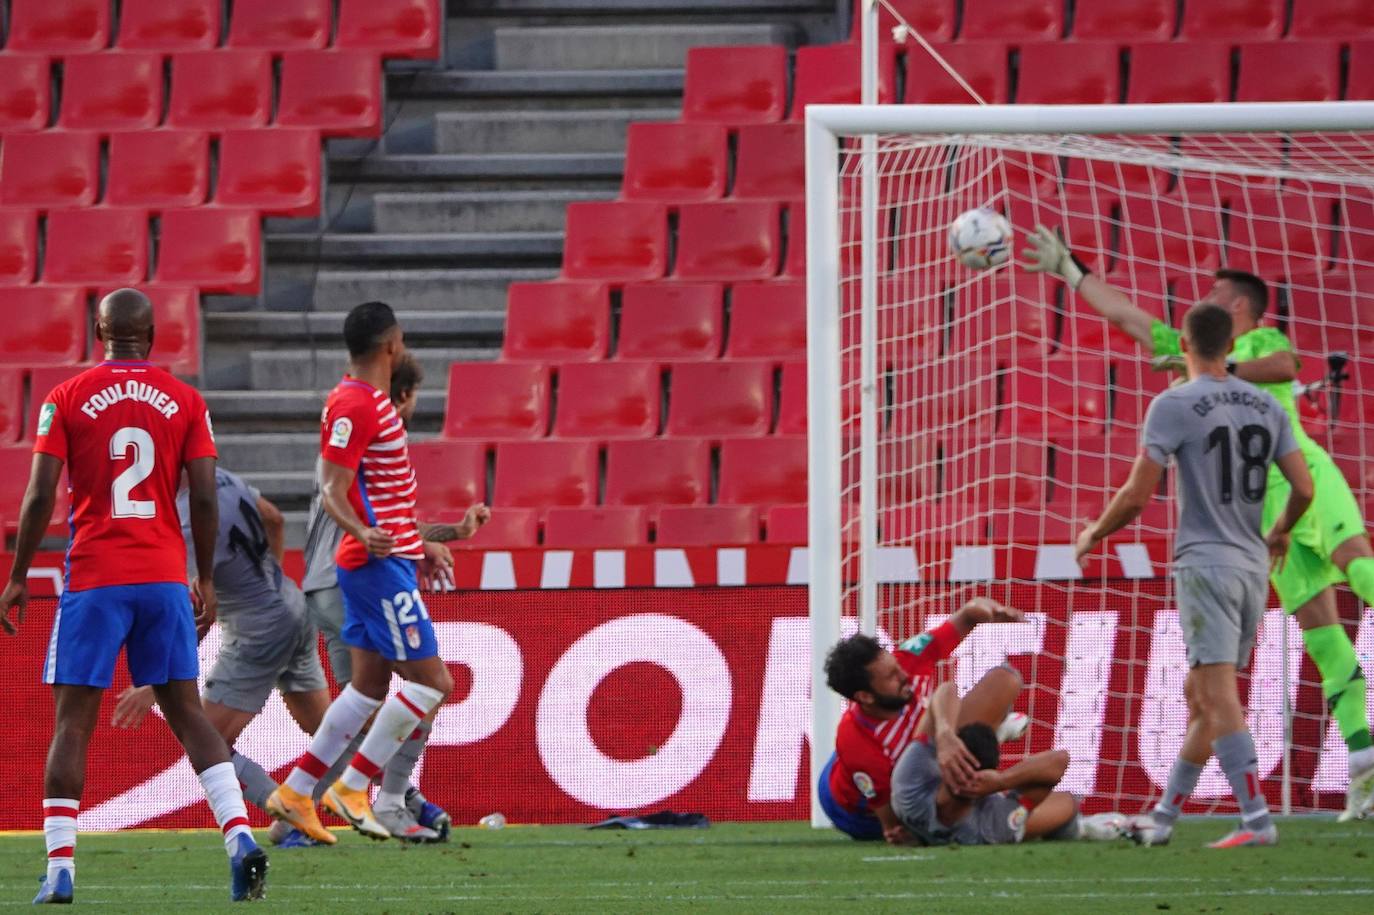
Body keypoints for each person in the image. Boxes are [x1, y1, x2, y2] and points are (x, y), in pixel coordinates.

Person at [1027, 229, 1374, 822]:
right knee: (1322, 632)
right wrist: (1074, 274)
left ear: (1237, 304)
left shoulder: (1258, 337)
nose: (1207, 295)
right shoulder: (1193, 348)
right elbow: (1130, 318)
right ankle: (1366, 764)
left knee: (1363, 574)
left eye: (1215, 290)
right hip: (1260, 517)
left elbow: (1286, 363)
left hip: (1304, 478)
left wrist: (1220, 363)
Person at [0, 289, 267, 903]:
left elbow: (40, 495)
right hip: (164, 577)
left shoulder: (65, 398)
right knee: (187, 714)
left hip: (95, 578)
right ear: (151, 336)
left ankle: (61, 870)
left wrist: (17, 573)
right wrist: (201, 576)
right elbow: (203, 497)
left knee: (72, 725)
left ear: (100, 331)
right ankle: (240, 839)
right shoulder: (186, 401)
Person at [1074, 302, 1314, 847]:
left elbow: (1137, 496)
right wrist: (1278, 531)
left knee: (1218, 695)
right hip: (1254, 565)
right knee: (1200, 694)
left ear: (1183, 344)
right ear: (1232, 347)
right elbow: (1303, 488)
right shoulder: (1265, 404)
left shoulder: (1173, 403)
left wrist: (1092, 535)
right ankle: (1163, 818)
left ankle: (1257, 820)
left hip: (1206, 562)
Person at [266, 302, 456, 844]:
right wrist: (363, 532)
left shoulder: (360, 401)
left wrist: (427, 539)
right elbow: (333, 488)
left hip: (382, 558)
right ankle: (355, 786)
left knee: (370, 686)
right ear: (391, 346)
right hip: (376, 567)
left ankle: (299, 791)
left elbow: (375, 495)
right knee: (433, 682)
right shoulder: (357, 404)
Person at [298, 352, 488, 842]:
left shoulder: (358, 435)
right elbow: (374, 524)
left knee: (372, 696)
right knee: (421, 686)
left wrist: (445, 534)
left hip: (332, 581)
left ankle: (304, 800)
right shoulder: (367, 435)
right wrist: (421, 542)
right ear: (400, 395)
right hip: (351, 580)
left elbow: (394, 525)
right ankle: (388, 798)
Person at [109, 467, 334, 843]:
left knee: (205, 740)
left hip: (256, 629)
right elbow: (274, 519)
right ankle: (403, 795)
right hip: (290, 604)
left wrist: (154, 682)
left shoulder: (187, 517)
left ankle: (292, 815)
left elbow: (190, 608)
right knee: (330, 731)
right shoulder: (225, 478)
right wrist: (271, 574)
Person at [819, 596, 1031, 843]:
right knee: (958, 818)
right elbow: (892, 819)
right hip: (857, 811)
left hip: (919, 750)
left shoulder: (908, 660)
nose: (904, 675)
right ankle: (987, 734)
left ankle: (983, 734)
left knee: (1005, 680)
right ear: (865, 696)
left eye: (896, 666)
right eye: (891, 676)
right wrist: (900, 832)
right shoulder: (857, 741)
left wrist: (989, 611)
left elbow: (968, 615)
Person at [888, 679, 1123, 846]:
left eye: (968, 774)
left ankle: (1076, 828)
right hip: (976, 795)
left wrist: (1002, 781)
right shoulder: (910, 784)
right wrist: (945, 734)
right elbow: (946, 688)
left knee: (1007, 678)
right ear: (945, 764)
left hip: (989, 802)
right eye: (959, 771)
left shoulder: (989, 827)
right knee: (1062, 807)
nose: (963, 781)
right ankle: (1079, 829)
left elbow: (1060, 760)